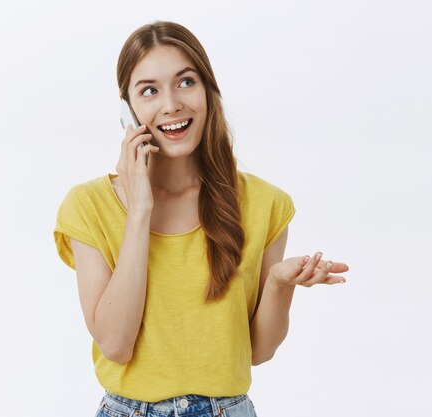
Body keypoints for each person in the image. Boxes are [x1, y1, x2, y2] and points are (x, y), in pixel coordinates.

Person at [53, 20, 349, 417]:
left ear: (209, 91)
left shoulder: (265, 204)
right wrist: (139, 210)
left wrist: (278, 284)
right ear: (127, 108)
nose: (172, 103)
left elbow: (258, 352)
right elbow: (116, 344)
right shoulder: (88, 207)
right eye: (149, 90)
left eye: (186, 82)